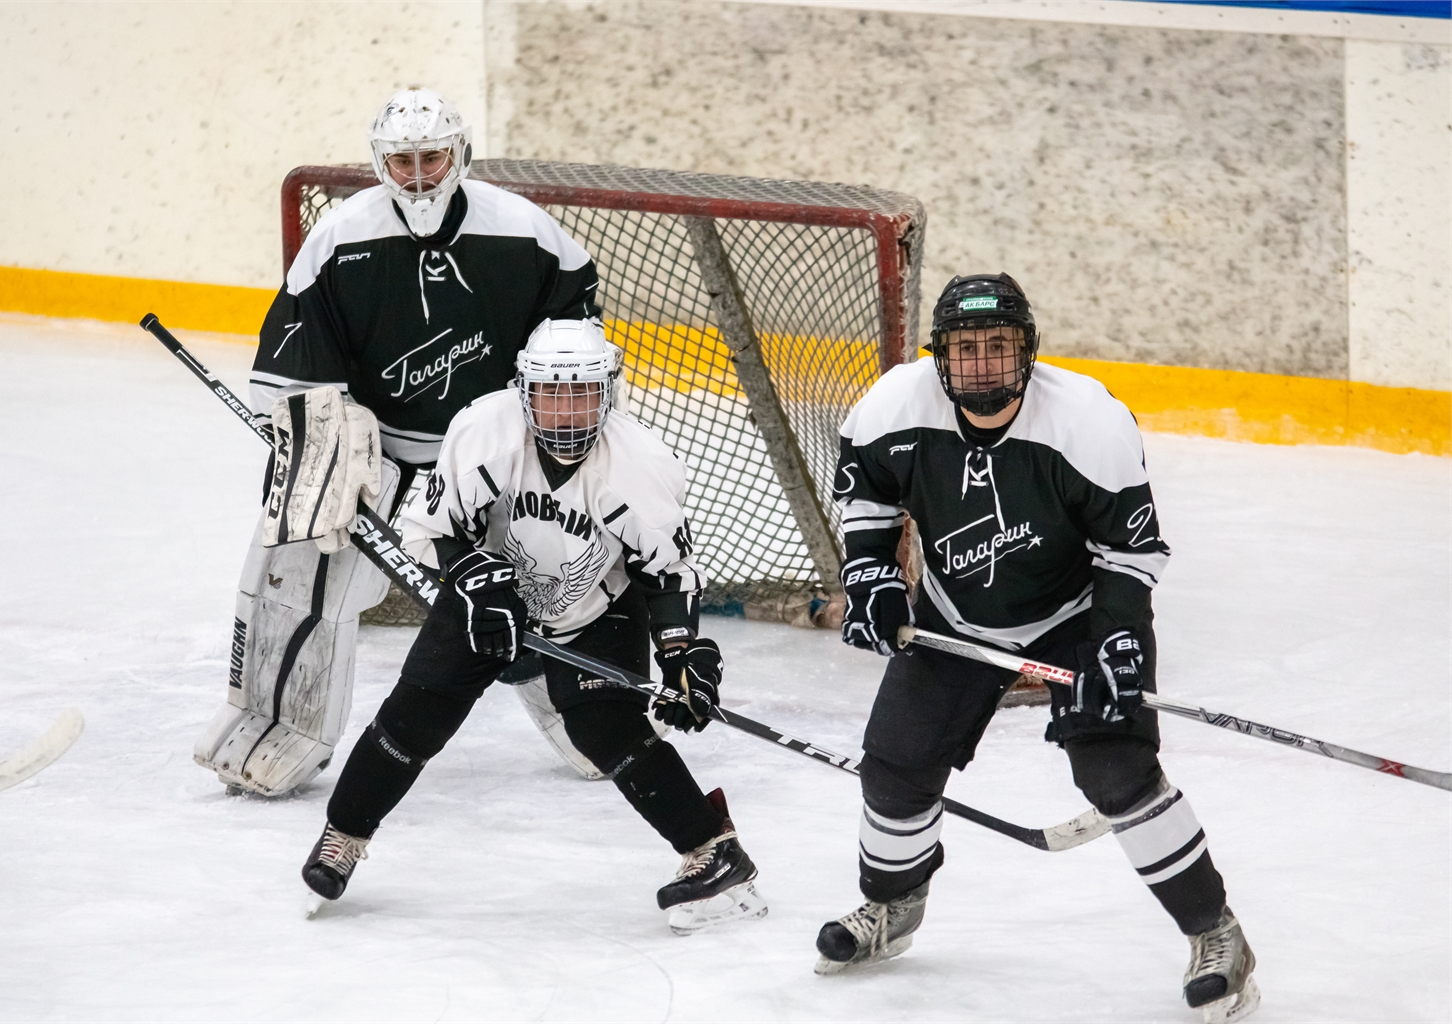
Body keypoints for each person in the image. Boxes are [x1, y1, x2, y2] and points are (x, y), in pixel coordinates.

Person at [816, 274, 1258, 1023]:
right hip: (956, 612)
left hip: (1077, 611)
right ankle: (892, 908)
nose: (983, 365)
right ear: (940, 357)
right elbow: (869, 498)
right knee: (895, 763)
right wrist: (871, 579)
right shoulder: (891, 406)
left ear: (1027, 353)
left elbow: (1131, 553)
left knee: (1115, 769)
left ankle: (1218, 935)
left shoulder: (1088, 420)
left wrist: (1115, 643)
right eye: (966, 349)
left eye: (999, 347)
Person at [193, 87, 610, 797]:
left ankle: (599, 722)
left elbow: (569, 355)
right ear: (381, 162)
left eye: (432, 156)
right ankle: (281, 725)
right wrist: (316, 439)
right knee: (296, 564)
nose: (418, 174)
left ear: (460, 154)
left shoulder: (528, 233)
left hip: (488, 449)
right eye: (403, 159)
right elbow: (294, 361)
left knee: (543, 581)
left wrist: (529, 443)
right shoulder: (341, 235)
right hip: (377, 445)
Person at [298, 319, 766, 934]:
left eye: (582, 395)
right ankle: (344, 837)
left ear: (610, 392)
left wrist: (681, 655)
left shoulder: (640, 465)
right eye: (551, 394)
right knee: (417, 711)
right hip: (490, 596)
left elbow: (667, 573)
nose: (567, 413)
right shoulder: (484, 431)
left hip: (596, 608)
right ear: (524, 390)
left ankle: (714, 850)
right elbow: (442, 531)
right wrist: (473, 578)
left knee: (606, 730)